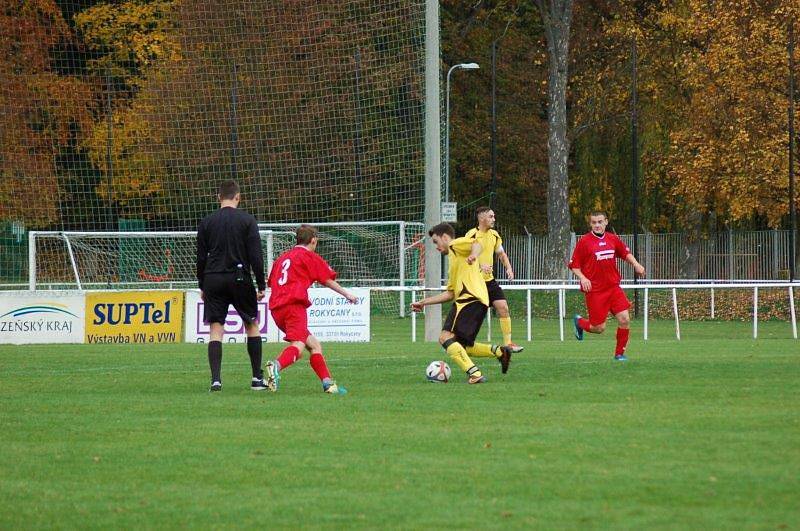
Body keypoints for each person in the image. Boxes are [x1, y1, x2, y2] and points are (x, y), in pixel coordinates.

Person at [410, 223, 512, 384]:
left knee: (445, 337)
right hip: (476, 301)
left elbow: (476, 244)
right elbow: (450, 293)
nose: (436, 247)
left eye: (436, 242)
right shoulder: (454, 259)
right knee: (462, 346)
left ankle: (475, 374)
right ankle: (500, 352)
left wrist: (473, 255)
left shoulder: (455, 244)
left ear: (444, 237)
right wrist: (424, 302)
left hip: (468, 299)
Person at [264, 225, 358, 395]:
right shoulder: (309, 256)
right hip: (294, 306)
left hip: (276, 309)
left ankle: (328, 384)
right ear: (313, 240)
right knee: (298, 346)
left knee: (313, 345)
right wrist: (347, 294)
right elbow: (327, 279)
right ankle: (275, 366)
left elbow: (270, 282)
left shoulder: (282, 258)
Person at [197, 180, 267, 392]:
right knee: (251, 325)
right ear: (238, 197)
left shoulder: (207, 222)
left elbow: (201, 257)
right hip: (239, 278)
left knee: (216, 328)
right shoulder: (247, 220)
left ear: (219, 197)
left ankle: (216, 380)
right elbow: (256, 255)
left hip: (213, 278)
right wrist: (261, 284)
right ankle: (256, 379)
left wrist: (202, 284)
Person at [569, 210, 646, 361]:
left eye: (599, 222)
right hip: (595, 291)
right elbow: (574, 265)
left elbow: (625, 254)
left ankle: (619, 354)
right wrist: (583, 278)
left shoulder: (612, 239)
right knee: (599, 328)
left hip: (613, 288)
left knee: (624, 319)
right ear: (590, 224)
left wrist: (637, 265)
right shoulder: (584, 242)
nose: (597, 225)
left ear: (606, 222)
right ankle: (579, 322)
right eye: (593, 222)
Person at [464, 206, 524, 353]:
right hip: (474, 282)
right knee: (474, 316)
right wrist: (479, 266)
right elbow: (464, 257)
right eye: (491, 216)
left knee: (503, 307)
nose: (493, 219)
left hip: (489, 281)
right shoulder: (471, 235)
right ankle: (462, 342)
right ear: (482, 218)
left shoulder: (495, 235)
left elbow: (501, 254)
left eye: (494, 216)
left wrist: (508, 268)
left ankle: (508, 343)